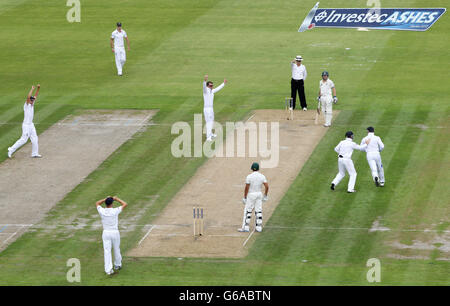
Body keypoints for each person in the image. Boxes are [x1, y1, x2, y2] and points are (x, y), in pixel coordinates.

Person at [96, 196, 128, 275]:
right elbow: (125, 204)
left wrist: (105, 199)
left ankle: (108, 270)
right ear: (112, 203)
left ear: (106, 203)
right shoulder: (115, 211)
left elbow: (97, 203)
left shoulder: (102, 211)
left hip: (106, 233)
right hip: (114, 232)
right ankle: (117, 265)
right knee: (116, 248)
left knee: (107, 251)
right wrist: (116, 199)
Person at [8, 85, 42, 158]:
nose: (32, 101)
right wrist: (32, 89)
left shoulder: (32, 104)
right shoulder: (26, 105)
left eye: (33, 100)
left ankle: (34, 153)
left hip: (31, 125)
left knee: (35, 139)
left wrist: (38, 88)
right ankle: (11, 150)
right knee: (23, 140)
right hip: (26, 125)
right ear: (29, 100)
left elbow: (36, 95)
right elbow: (28, 96)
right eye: (31, 100)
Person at [239, 162, 269, 233]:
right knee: (258, 210)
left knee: (248, 210)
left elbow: (247, 188)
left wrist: (245, 197)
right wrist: (265, 195)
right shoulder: (262, 176)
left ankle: (245, 227)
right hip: (259, 194)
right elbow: (267, 186)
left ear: (252, 168)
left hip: (251, 194)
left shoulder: (249, 176)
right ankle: (259, 227)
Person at [202, 74, 227, 141]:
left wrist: (223, 83)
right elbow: (204, 86)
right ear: (207, 86)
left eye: (212, 85)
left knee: (211, 121)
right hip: (207, 109)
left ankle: (211, 134)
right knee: (209, 122)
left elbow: (218, 88)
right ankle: (208, 137)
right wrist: (205, 80)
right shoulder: (205, 91)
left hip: (211, 108)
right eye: (210, 85)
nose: (212, 86)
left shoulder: (212, 91)